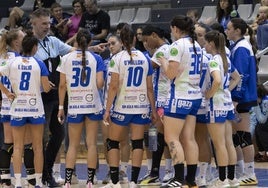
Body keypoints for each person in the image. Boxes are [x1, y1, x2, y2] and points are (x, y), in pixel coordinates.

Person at [102, 24, 157, 188]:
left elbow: (113, 87)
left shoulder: (117, 59)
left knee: (113, 142)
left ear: (122, 40)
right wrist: (153, 110)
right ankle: (133, 181)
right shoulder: (145, 57)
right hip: (141, 107)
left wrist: (107, 110)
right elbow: (149, 88)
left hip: (122, 107)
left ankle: (114, 182)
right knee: (138, 143)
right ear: (134, 38)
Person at [0, 30, 51, 188]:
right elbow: (47, 89)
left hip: (18, 109)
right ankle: (38, 182)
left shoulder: (12, 62)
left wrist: (8, 93)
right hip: (35, 109)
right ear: (34, 47)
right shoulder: (39, 63)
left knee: (17, 146)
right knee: (37, 147)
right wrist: (44, 85)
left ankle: (16, 182)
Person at [30, 8, 74, 187]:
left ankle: (46, 172)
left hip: (59, 95)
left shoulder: (54, 41)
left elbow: (73, 50)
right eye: (44, 24)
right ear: (33, 24)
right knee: (41, 139)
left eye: (49, 23)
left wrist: (91, 48)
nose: (48, 26)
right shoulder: (29, 44)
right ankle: (38, 175)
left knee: (59, 134)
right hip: (41, 96)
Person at [158, 15, 202, 188]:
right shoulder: (196, 44)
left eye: (171, 30)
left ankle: (177, 178)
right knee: (189, 138)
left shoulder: (177, 46)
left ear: (176, 29)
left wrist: (162, 60)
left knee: (171, 138)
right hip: (195, 96)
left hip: (180, 96)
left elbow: (170, 74)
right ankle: (190, 180)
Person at [57, 28, 105, 188]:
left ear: (76, 40)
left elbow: (62, 85)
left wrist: (60, 107)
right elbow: (100, 84)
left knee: (72, 145)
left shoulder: (65, 58)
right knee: (91, 144)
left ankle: (68, 181)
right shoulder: (96, 58)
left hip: (75, 105)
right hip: (92, 105)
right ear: (90, 42)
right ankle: (90, 181)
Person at [203, 30, 241, 187]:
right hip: (226, 104)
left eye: (205, 42)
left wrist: (209, 94)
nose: (204, 45)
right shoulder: (226, 60)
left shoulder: (213, 60)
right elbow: (237, 78)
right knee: (228, 143)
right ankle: (232, 178)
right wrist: (226, 91)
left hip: (216, 106)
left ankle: (222, 179)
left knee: (219, 145)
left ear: (211, 44)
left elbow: (217, 80)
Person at [138, 25, 173, 186]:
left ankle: (164, 171)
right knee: (155, 135)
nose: (145, 44)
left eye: (146, 40)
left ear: (154, 35)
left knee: (162, 136)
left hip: (163, 100)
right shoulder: (168, 48)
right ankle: (157, 171)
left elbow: (145, 69)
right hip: (160, 100)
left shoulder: (162, 50)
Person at [226, 18, 258, 186]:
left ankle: (250, 172)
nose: (227, 31)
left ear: (237, 31)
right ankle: (240, 171)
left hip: (242, 98)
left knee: (243, 135)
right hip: (241, 97)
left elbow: (241, 76)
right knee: (237, 136)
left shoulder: (241, 48)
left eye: (229, 28)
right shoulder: (238, 46)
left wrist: (236, 99)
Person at [101, 34, 130, 185]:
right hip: (107, 105)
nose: (110, 46)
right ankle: (111, 169)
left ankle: (123, 171)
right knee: (108, 141)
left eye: (113, 43)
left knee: (123, 140)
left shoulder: (126, 60)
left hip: (122, 105)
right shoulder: (106, 62)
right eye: (109, 44)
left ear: (121, 44)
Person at [193, 22, 214, 187]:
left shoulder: (207, 57)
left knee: (201, 139)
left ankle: (203, 175)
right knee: (194, 139)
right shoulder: (203, 55)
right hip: (193, 101)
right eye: (195, 34)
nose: (196, 37)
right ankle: (201, 175)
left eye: (200, 35)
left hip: (200, 102)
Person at [251, 84, 268, 162]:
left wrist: (256, 105)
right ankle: (262, 153)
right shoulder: (263, 100)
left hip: (265, 123)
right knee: (258, 127)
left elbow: (262, 120)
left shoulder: (265, 102)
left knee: (260, 127)